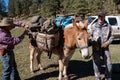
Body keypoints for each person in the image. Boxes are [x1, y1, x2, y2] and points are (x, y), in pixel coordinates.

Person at [89, 12, 114, 80]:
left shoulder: (108, 26)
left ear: (104, 17)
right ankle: (98, 77)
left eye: (102, 17)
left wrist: (107, 43)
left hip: (105, 48)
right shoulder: (93, 26)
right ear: (98, 17)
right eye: (99, 17)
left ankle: (108, 77)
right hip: (96, 48)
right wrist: (93, 42)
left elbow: (112, 36)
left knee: (109, 64)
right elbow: (89, 36)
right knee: (96, 64)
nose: (100, 18)